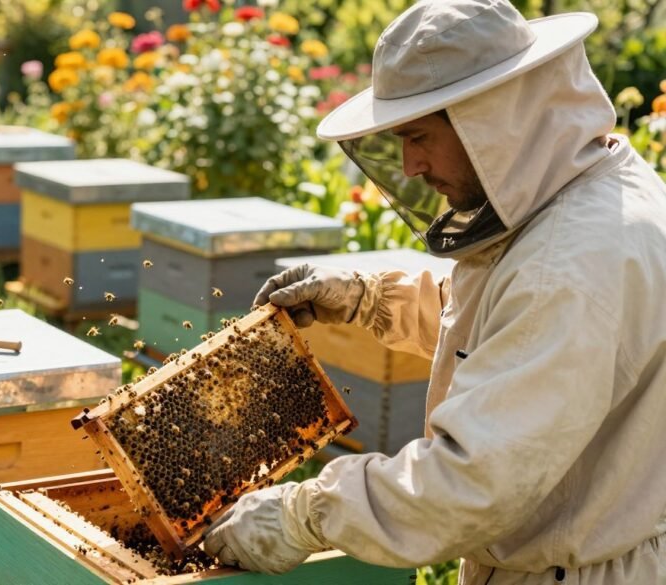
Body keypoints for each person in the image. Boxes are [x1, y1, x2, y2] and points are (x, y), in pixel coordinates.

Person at [202, 0, 666, 583]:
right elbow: (505, 324)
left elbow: (474, 482)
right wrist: (369, 297)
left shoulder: (571, 266)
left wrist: (304, 514)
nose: (410, 165)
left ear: (495, 120)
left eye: (419, 136)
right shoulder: (583, 194)